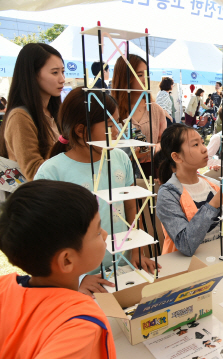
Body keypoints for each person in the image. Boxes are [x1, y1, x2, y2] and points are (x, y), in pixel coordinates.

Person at [34, 87, 159, 296]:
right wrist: (78, 278)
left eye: (118, 123)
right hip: (81, 278)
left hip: (121, 264)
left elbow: (130, 206)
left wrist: (137, 250)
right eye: (110, 125)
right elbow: (47, 236)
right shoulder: (52, 171)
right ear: (81, 131)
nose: (118, 131)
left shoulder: (119, 158)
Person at [0, 180, 116, 358]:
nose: (105, 234)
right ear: (67, 260)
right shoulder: (80, 325)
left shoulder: (4, 285)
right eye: (97, 232)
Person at [156, 124, 223, 256]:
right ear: (177, 157)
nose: (204, 149)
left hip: (220, 258)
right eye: (195, 145)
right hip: (187, 269)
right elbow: (185, 245)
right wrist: (214, 204)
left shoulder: (215, 185)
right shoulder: (168, 194)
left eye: (203, 143)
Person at [0, 43, 64, 180]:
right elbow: (34, 172)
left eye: (63, 72)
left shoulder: (53, 112)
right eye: (55, 72)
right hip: (39, 197)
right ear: (33, 74)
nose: (62, 79)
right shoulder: (20, 116)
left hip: (57, 192)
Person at [111, 54, 167, 178]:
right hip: (121, 170)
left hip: (152, 170)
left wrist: (151, 149)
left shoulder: (155, 110)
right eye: (140, 75)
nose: (144, 79)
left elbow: (163, 141)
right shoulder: (112, 111)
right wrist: (130, 154)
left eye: (147, 75)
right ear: (125, 77)